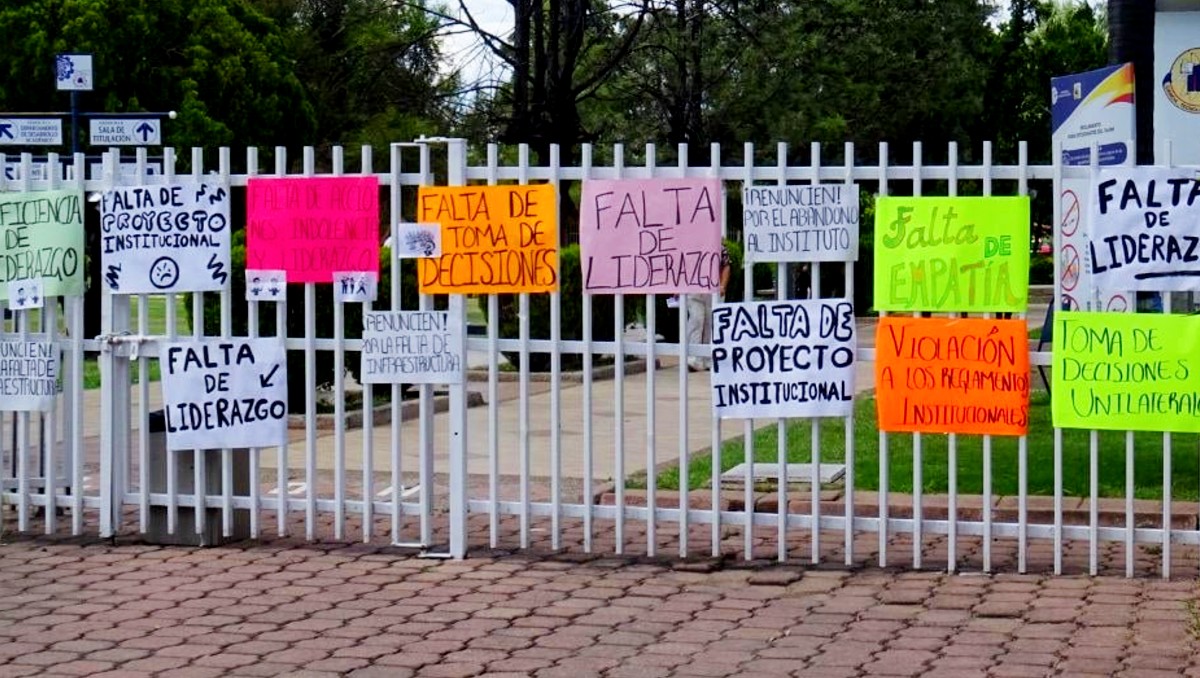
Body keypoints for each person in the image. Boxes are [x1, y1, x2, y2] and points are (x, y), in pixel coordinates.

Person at [686, 245, 732, 371]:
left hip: (713, 290)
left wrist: (722, 285)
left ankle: (707, 358)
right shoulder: (689, 244)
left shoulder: (719, 246)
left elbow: (726, 265)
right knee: (696, 320)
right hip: (694, 288)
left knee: (710, 323)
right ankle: (694, 357)